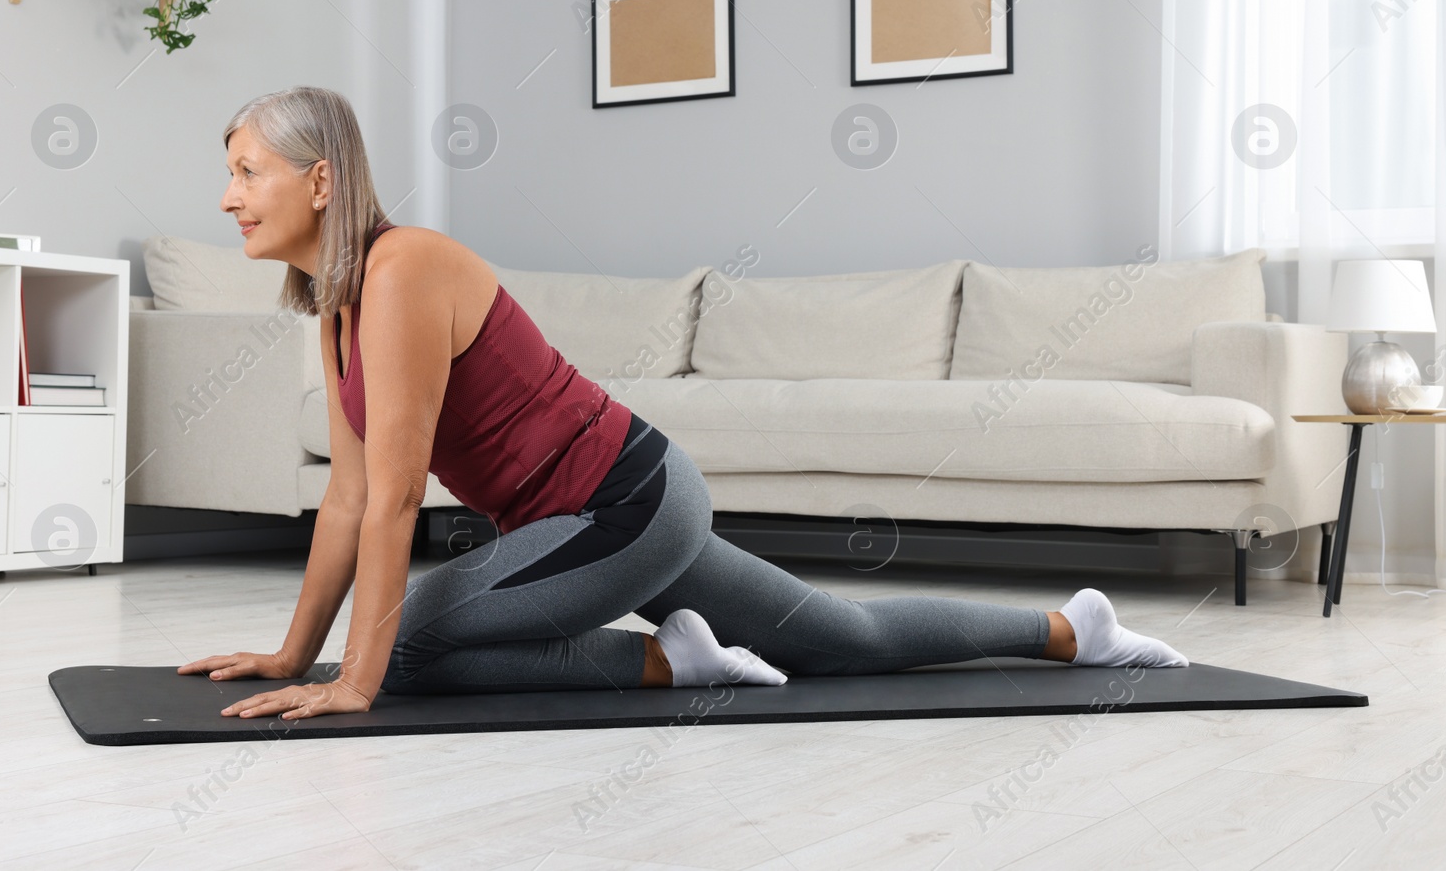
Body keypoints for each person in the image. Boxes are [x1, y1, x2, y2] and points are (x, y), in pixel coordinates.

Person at [179, 86, 1188, 721]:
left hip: (628, 503)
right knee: (846, 639)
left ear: (320, 180)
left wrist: (352, 676)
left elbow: (398, 494)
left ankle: (669, 661)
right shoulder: (335, 303)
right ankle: (1072, 630)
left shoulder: (403, 271)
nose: (227, 195)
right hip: (593, 519)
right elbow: (349, 498)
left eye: (245, 170)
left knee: (395, 646)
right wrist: (292, 651)